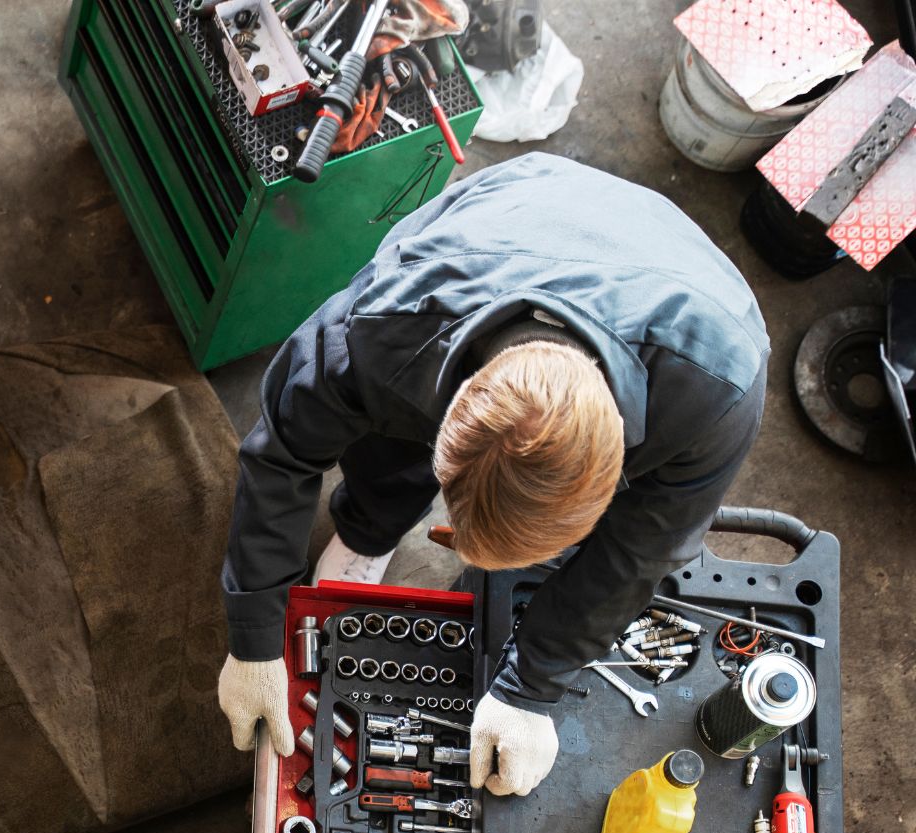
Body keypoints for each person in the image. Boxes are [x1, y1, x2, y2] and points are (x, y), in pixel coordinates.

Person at [215, 153, 768, 796]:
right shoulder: (384, 325)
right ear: (449, 418)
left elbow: (637, 554)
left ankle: (381, 525)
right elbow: (282, 451)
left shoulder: (717, 396)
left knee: (638, 551)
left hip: (686, 289)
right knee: (385, 449)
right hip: (521, 208)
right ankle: (370, 529)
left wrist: (531, 686)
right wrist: (255, 633)